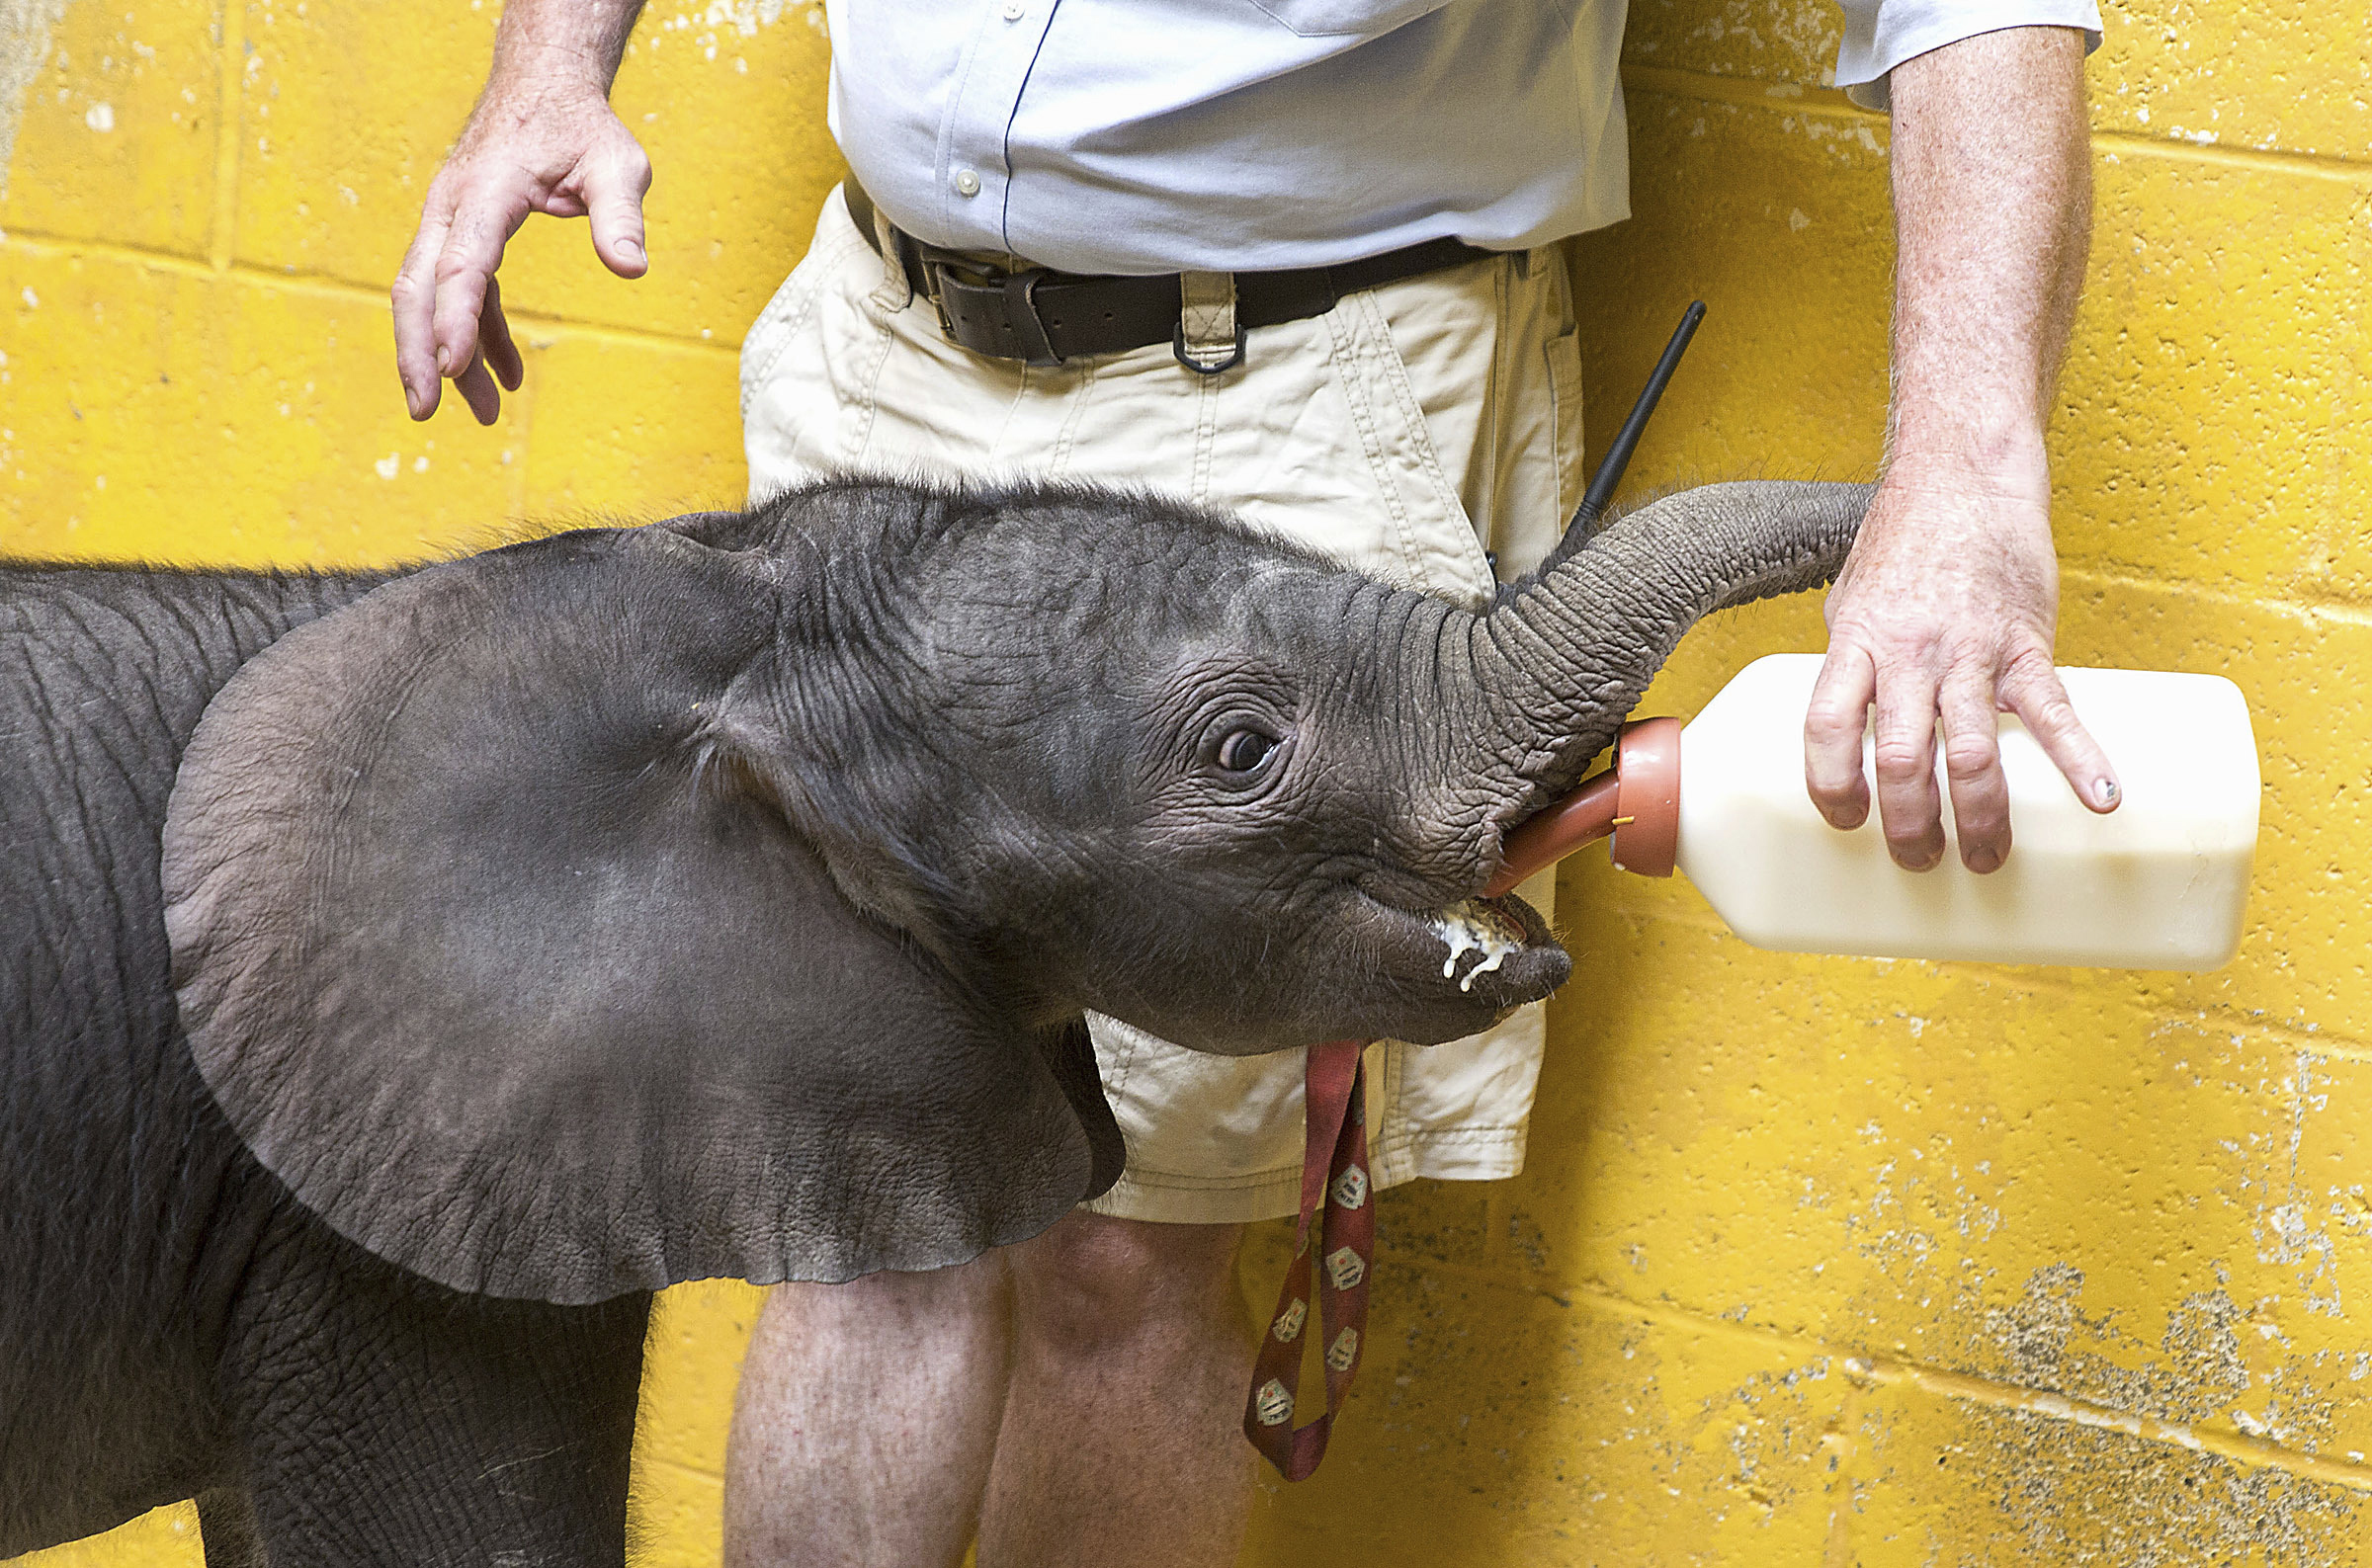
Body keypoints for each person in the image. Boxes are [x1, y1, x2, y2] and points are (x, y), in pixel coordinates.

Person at [393, 4, 2121, 1563]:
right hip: (884, 352)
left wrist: (1971, 467)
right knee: (865, 1212)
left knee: (1115, 1255)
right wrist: (547, 66)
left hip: (1283, 402)